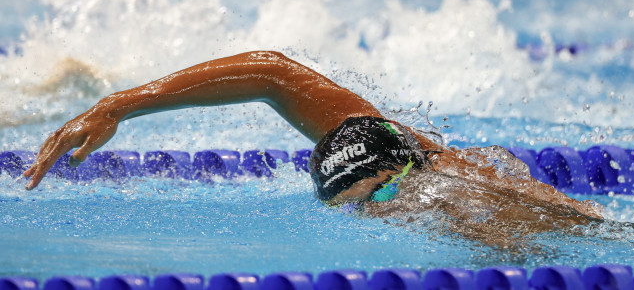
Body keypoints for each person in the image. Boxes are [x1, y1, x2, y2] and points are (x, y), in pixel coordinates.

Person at [24, 51, 604, 246]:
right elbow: (271, 74)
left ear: (410, 170)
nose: (380, 210)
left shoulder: (467, 194)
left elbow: (592, 236)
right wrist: (115, 105)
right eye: (356, 204)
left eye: (387, 191)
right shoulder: (380, 146)